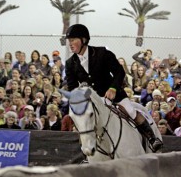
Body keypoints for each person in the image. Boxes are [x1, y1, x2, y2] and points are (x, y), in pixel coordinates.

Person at [64, 24, 162, 152]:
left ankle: (152, 138)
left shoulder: (102, 53)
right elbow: (72, 87)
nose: (70, 44)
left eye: (73, 40)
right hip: (93, 101)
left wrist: (113, 88)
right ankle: (87, 153)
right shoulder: (70, 63)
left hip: (114, 95)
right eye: (69, 41)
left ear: (83, 40)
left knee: (130, 111)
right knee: (84, 123)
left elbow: (119, 72)